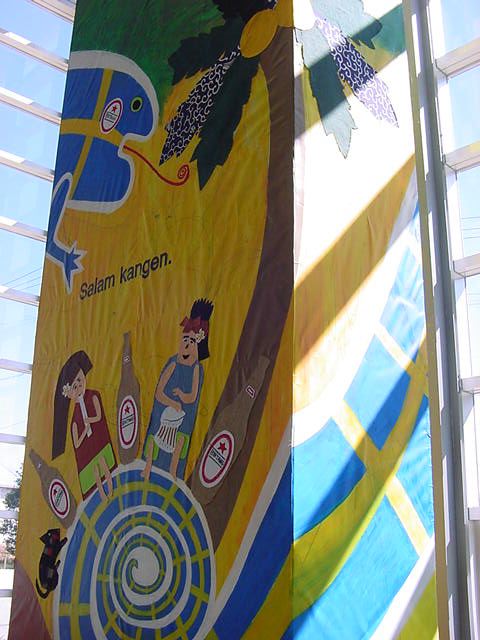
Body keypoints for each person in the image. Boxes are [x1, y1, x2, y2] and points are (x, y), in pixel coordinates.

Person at [142, 299, 213, 480]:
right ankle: (147, 468)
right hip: (164, 415)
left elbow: (193, 396)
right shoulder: (173, 363)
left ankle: (173, 473)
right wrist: (171, 402)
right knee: (155, 437)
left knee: (180, 442)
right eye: (184, 340)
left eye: (191, 341)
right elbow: (159, 392)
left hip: (183, 419)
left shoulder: (197, 369)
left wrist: (182, 397)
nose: (186, 346)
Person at [52, 351, 116, 501]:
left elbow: (99, 415)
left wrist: (90, 420)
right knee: (95, 472)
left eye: (80, 381)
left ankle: (111, 489)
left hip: (99, 442)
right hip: (88, 449)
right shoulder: (74, 419)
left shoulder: (93, 395)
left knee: (104, 464)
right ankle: (103, 495)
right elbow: (77, 442)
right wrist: (84, 430)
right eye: (75, 386)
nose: (79, 386)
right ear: (69, 393)